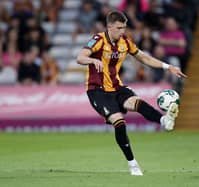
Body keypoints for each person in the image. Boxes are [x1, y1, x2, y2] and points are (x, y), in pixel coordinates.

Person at [77, 11, 186, 176]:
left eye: (124, 28)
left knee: (137, 102)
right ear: (109, 26)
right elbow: (80, 57)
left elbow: (145, 58)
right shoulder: (98, 40)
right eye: (119, 28)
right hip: (97, 91)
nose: (122, 31)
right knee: (119, 122)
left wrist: (168, 67)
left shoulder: (125, 42)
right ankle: (132, 164)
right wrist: (93, 60)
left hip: (117, 87)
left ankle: (164, 120)